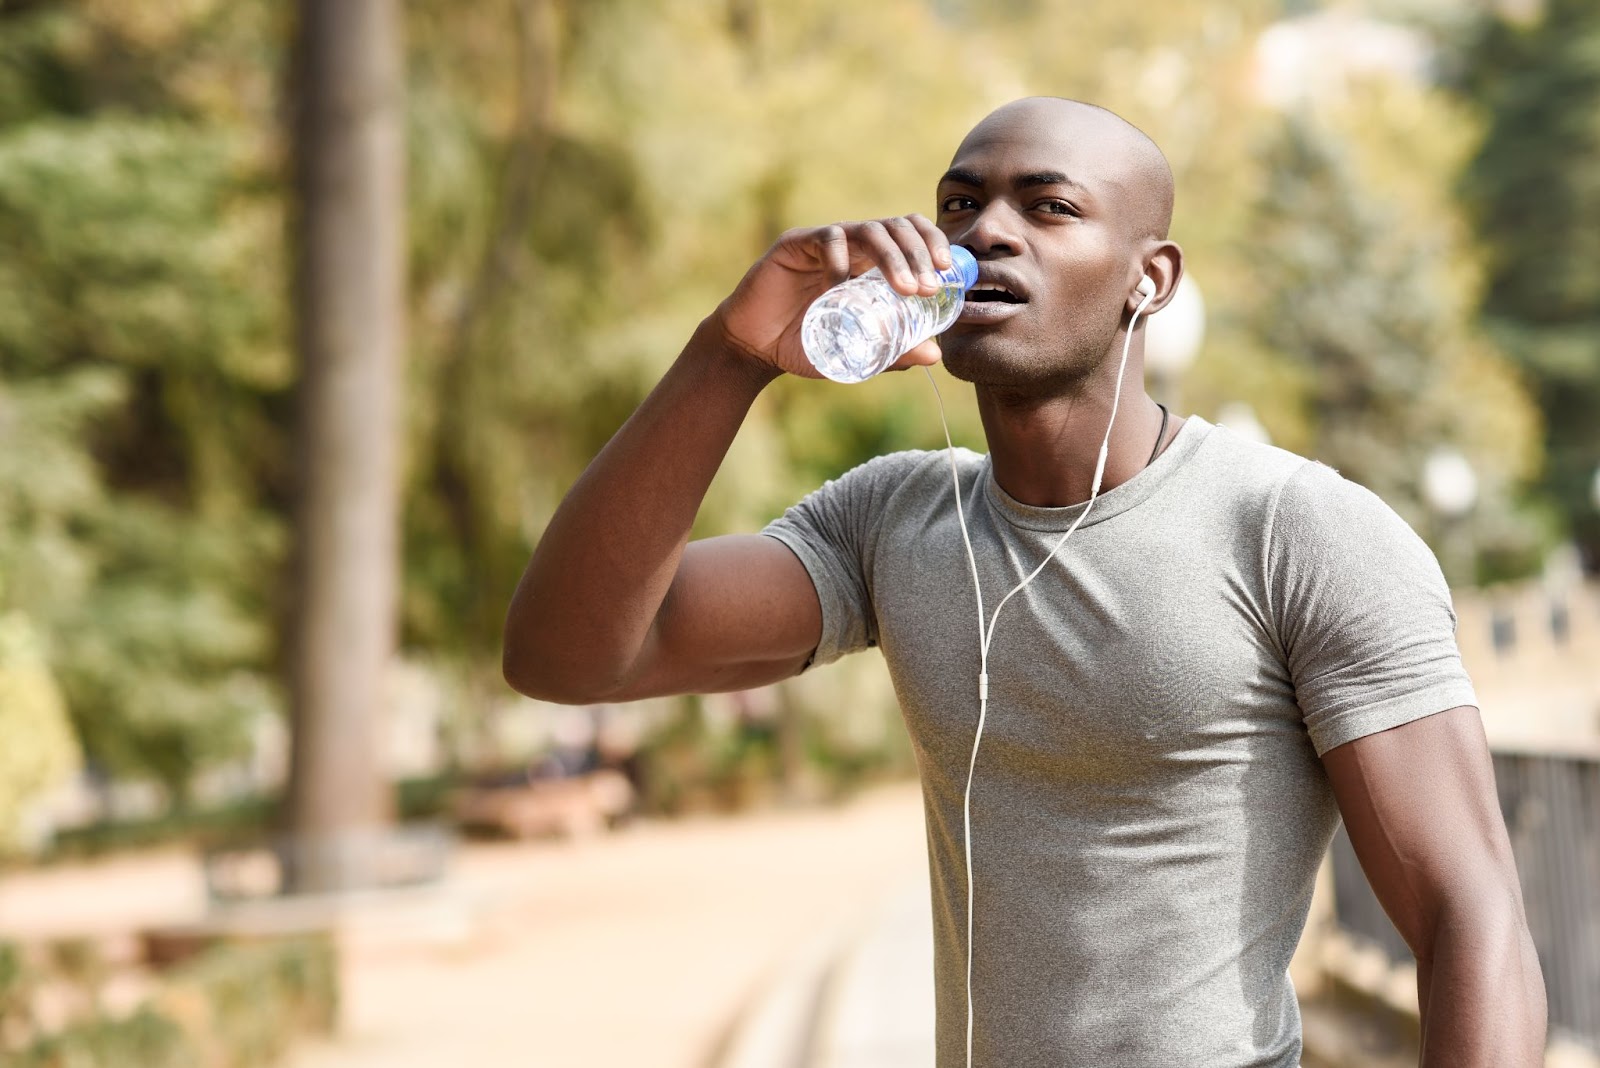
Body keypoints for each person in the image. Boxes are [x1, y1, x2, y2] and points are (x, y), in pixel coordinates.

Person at [502, 97, 1547, 1067]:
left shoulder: (1293, 530)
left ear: (1152, 279)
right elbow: (569, 654)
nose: (985, 231)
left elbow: (1471, 912)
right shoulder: (889, 520)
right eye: (961, 203)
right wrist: (730, 354)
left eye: (1048, 207)